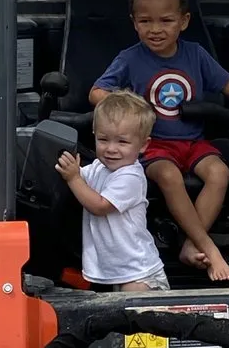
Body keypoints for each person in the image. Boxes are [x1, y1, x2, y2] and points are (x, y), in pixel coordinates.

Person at [89, 0, 229, 283]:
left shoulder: (195, 54)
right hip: (153, 146)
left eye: (166, 21)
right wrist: (133, 107)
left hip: (193, 141)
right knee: (169, 175)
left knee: (219, 172)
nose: (155, 29)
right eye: (145, 21)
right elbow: (97, 93)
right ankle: (207, 246)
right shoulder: (129, 59)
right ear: (134, 22)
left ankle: (189, 244)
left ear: (184, 21)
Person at [55, 89, 169, 293]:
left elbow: (100, 205)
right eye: (103, 139)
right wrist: (65, 168)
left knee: (138, 318)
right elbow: (80, 177)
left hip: (139, 273)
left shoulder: (130, 176)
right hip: (117, 271)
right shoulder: (100, 167)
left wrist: (72, 178)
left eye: (122, 142)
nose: (111, 149)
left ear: (144, 145)